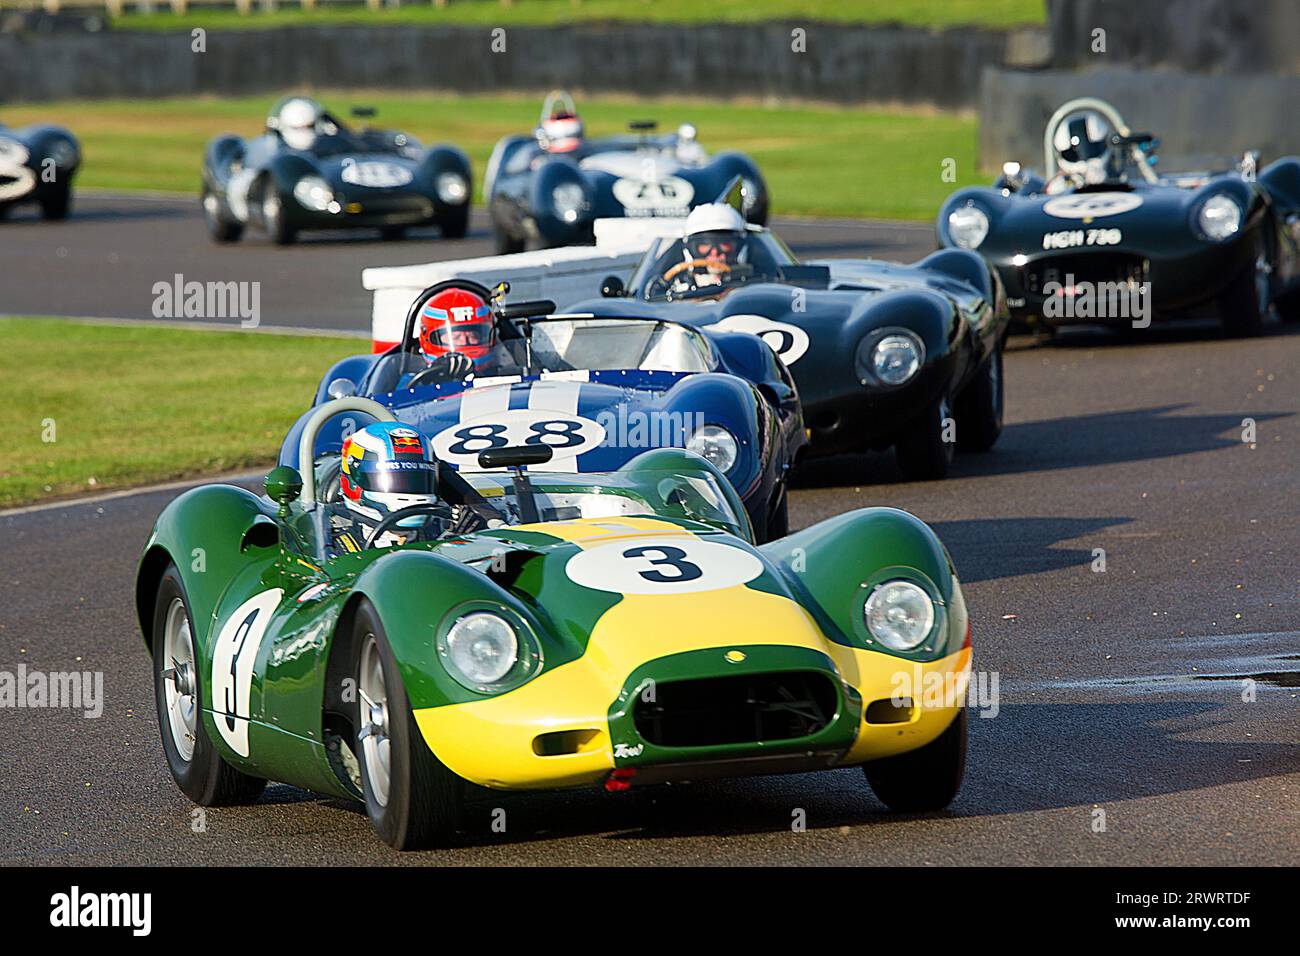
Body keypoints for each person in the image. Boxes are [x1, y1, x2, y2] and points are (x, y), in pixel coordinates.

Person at [333, 422, 442, 551]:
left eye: (415, 479)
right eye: (398, 480)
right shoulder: (330, 534)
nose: (409, 492)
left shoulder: (441, 526)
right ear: (356, 478)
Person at [416, 286, 503, 380]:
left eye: (472, 335)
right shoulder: (412, 381)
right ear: (427, 339)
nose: (464, 341)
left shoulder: (505, 376)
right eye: (455, 337)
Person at [1053, 109, 1113, 186]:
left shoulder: (1121, 178)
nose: (1084, 164)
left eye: (1093, 150)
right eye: (1073, 155)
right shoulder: (1057, 187)